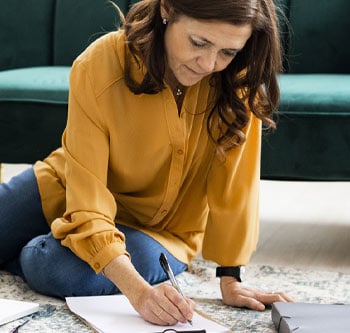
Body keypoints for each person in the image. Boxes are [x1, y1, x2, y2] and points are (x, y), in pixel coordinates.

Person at [0, 0, 292, 326]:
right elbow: (86, 196)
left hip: (157, 232)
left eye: (228, 52)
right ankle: (66, 231)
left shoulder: (238, 81)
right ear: (166, 9)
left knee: (49, 265)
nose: (210, 63)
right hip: (67, 187)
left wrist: (230, 277)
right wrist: (140, 293)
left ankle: (50, 240)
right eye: (199, 42)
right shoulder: (100, 63)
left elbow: (236, 186)